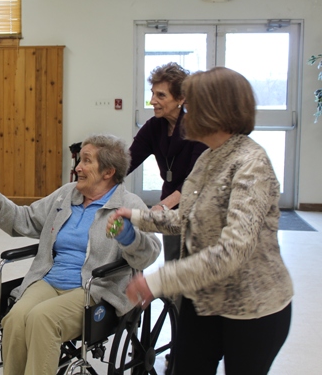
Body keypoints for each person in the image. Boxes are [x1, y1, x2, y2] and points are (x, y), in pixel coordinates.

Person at [109, 67, 293, 375]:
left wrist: (157, 281)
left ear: (214, 111)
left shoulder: (251, 164)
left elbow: (232, 251)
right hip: (205, 298)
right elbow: (189, 216)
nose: (185, 113)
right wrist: (140, 217)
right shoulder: (210, 156)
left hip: (252, 307)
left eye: (191, 105)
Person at [0, 134, 161, 375]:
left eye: (86, 161)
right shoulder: (67, 195)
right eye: (79, 161)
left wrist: (129, 238)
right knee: (15, 319)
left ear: (108, 172)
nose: (77, 168)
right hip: (50, 279)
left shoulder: (129, 204)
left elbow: (150, 253)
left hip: (94, 289)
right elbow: (28, 219)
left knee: (42, 320)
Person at [127, 62, 207, 261]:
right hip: (170, 203)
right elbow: (127, 161)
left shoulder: (199, 128)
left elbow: (194, 181)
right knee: (172, 260)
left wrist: (163, 207)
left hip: (198, 205)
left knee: (193, 267)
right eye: (153, 93)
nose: (153, 101)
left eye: (161, 95)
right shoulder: (154, 126)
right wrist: (101, 178)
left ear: (181, 98)